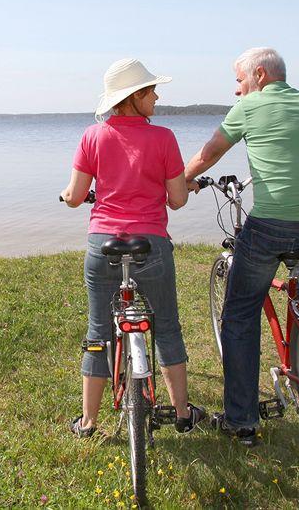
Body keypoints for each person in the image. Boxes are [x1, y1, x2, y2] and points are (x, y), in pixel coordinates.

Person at [184, 47, 299, 446]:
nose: (237, 90)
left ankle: (241, 419)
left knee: (238, 315)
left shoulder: (250, 108)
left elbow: (208, 154)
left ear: (258, 74)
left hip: (274, 226)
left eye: (239, 81)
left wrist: (179, 180)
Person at [60, 58, 205, 437]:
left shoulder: (93, 136)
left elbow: (76, 196)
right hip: (152, 245)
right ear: (135, 96)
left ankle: (88, 422)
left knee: (98, 332)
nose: (157, 97)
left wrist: (67, 195)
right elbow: (177, 200)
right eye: (151, 90)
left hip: (102, 245)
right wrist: (177, 188)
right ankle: (183, 414)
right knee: (168, 328)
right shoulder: (164, 138)